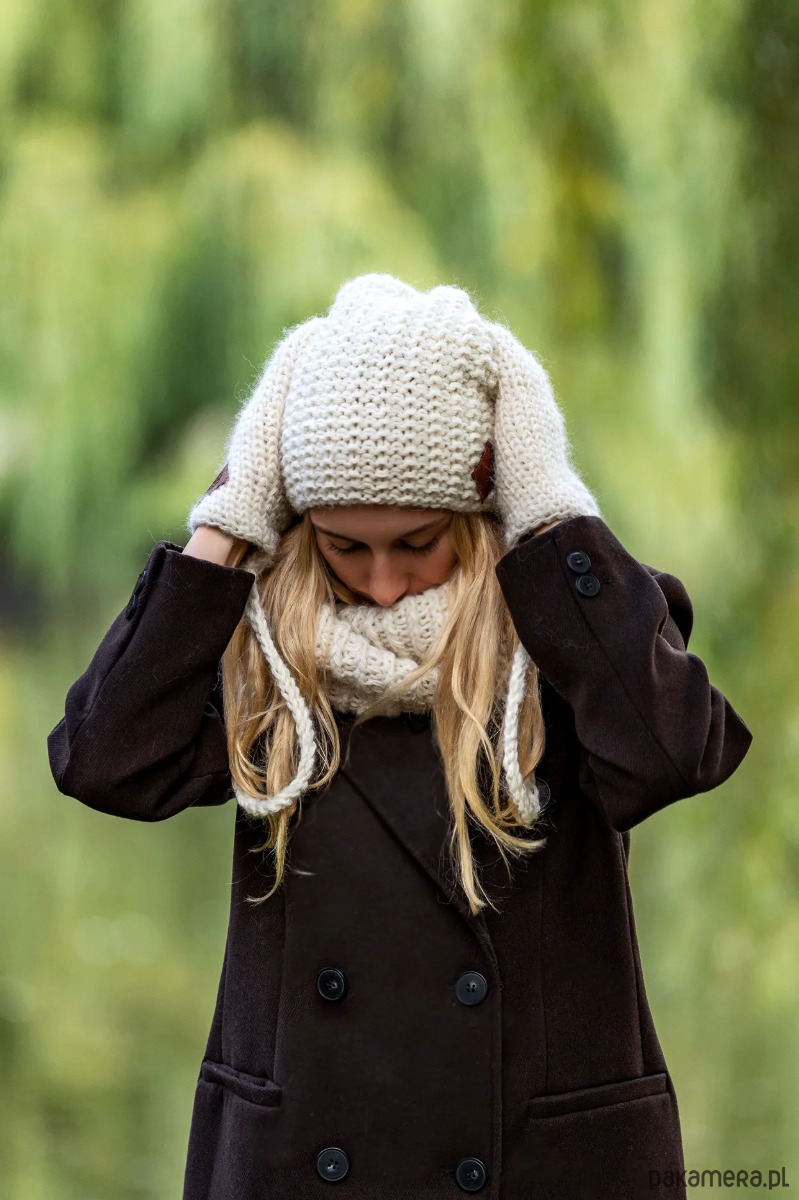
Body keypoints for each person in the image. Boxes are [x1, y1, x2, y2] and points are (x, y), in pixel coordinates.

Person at [46, 274, 753, 1199]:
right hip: (302, 1161)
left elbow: (671, 756)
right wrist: (222, 529)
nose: (381, 583)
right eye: (344, 547)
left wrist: (548, 510)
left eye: (417, 543)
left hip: (535, 1163)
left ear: (483, 512)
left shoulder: (570, 632)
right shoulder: (268, 655)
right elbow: (103, 761)